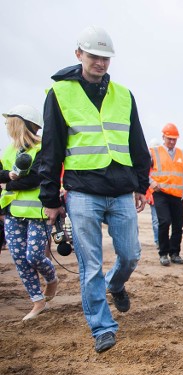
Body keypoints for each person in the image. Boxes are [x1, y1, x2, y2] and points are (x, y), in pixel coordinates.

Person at [38, 26, 150, 353]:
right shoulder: (59, 94)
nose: (100, 62)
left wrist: (142, 185)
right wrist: (50, 199)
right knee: (90, 263)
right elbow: (51, 149)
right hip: (82, 190)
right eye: (94, 56)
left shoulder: (124, 95)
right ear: (79, 55)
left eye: (105, 57)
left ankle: (116, 284)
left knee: (130, 254)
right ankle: (102, 326)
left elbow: (137, 143)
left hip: (120, 190)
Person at [1, 105, 58, 321]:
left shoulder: (42, 148)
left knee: (34, 255)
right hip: (13, 213)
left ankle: (52, 279)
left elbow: (37, 177)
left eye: (9, 121)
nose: (6, 125)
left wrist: (8, 185)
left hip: (39, 212)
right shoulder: (8, 152)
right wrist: (8, 175)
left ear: (20, 123)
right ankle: (37, 301)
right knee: (18, 257)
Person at [149, 123, 183, 266]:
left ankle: (175, 253)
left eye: (174, 139)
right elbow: (143, 168)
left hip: (177, 194)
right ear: (163, 136)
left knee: (178, 225)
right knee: (164, 222)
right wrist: (151, 182)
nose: (172, 142)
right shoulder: (154, 152)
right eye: (169, 139)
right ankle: (163, 253)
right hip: (161, 193)